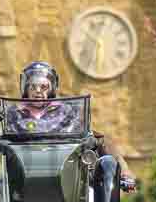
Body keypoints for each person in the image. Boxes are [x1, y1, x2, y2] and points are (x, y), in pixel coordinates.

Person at [18, 61, 137, 192]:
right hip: (26, 174)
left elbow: (90, 134)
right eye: (33, 87)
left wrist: (125, 171)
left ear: (51, 88)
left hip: (65, 172)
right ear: (25, 89)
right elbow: (3, 140)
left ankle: (122, 176)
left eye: (43, 87)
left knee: (99, 144)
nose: (38, 91)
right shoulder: (15, 114)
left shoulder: (65, 111)